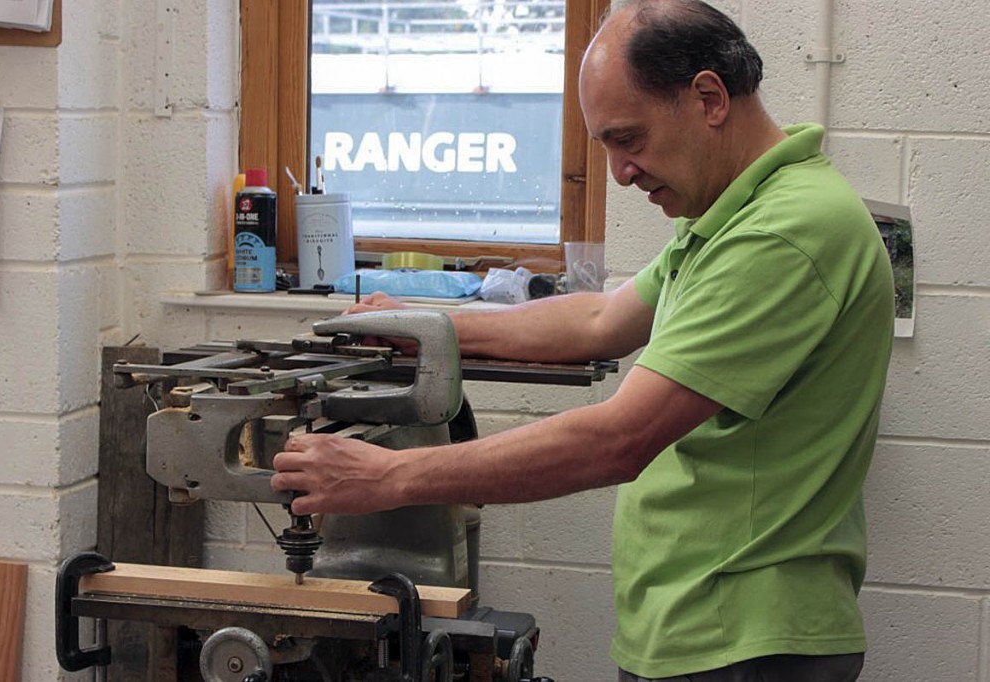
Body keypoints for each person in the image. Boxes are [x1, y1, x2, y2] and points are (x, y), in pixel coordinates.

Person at [271, 1, 895, 680]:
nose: (622, 172)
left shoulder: (783, 232)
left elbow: (619, 439)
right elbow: (600, 320)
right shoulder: (734, 214)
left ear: (709, 98)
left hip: (745, 633)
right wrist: (428, 332)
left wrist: (387, 477)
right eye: (604, 146)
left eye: (629, 139)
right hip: (710, 621)